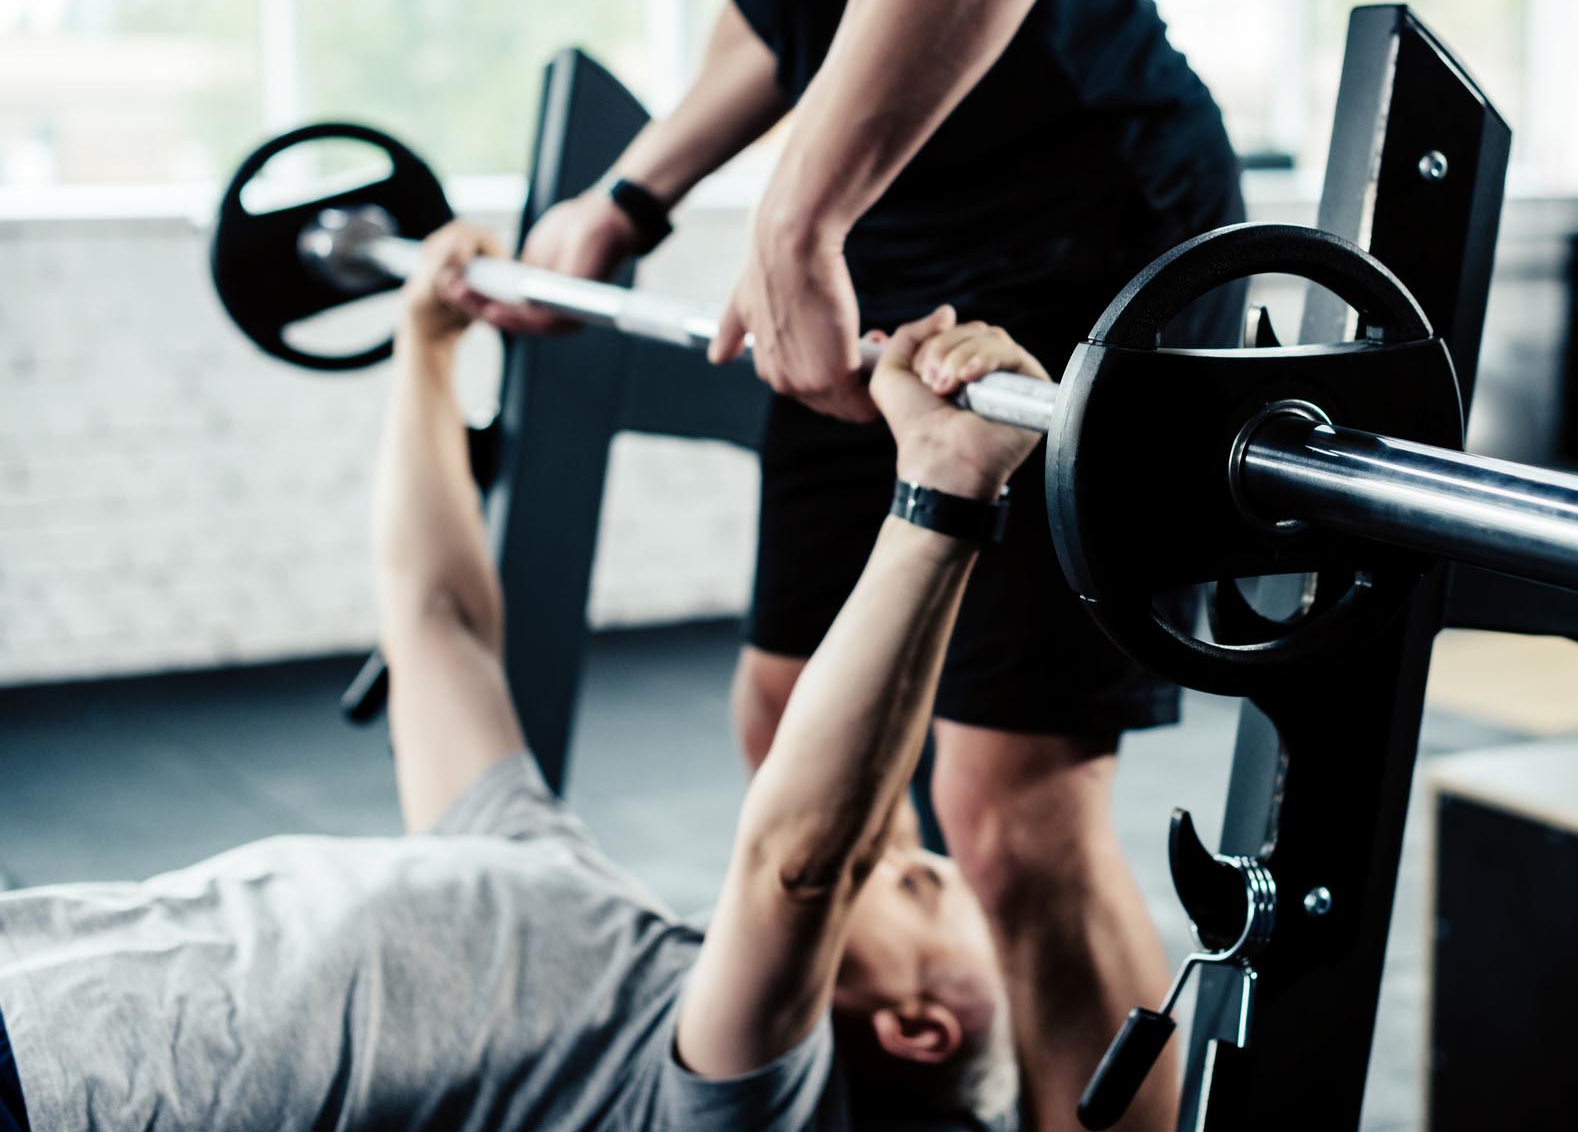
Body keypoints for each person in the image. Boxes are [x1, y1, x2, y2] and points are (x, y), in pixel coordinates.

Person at [478, 0, 1246, 1124]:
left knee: (1010, 819)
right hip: (892, 234)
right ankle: (937, 1059)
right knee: (791, 716)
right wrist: (632, 195)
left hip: (1082, 216)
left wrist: (797, 217)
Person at [0, 224, 1052, 1132]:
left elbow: (798, 862)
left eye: (920, 885)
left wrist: (947, 487)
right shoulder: (564, 892)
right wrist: (427, 343)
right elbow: (437, 624)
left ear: (915, 1029)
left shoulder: (722, 1101)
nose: (894, 851)